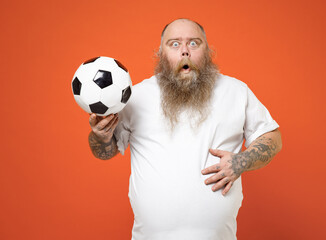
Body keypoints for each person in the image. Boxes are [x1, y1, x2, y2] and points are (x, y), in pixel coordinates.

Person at [88, 18, 282, 240]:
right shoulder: (136, 97)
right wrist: (100, 137)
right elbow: (106, 151)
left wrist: (241, 162)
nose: (184, 52)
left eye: (193, 43)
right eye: (174, 44)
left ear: (207, 51)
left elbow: (272, 137)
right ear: (160, 53)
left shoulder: (236, 91)